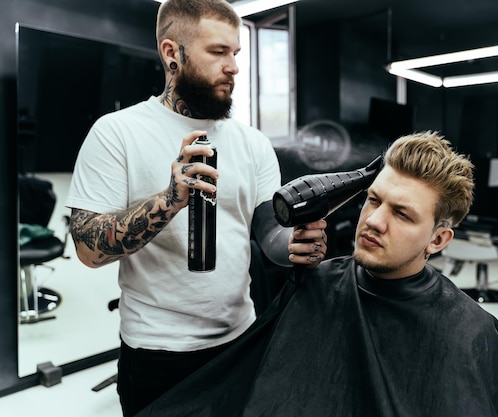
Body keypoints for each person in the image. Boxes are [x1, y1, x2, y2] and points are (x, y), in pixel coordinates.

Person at [137, 131, 498, 417]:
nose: (374, 221)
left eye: (402, 213)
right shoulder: (318, 284)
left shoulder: (472, 332)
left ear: (438, 239)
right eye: (373, 200)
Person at [64, 0, 327, 415]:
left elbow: (267, 234)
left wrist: (294, 241)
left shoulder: (253, 143)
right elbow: (87, 249)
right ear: (173, 53)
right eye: (218, 52)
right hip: (156, 352)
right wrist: (170, 200)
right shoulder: (117, 133)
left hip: (240, 341)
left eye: (236, 53)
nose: (234, 67)